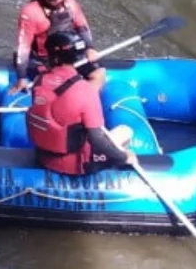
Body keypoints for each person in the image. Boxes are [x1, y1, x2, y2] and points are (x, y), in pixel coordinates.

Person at [25, 31, 135, 175]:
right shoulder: (85, 90)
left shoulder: (38, 82)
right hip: (76, 166)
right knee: (126, 132)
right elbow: (98, 141)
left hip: (43, 157)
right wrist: (124, 157)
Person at [11, 0, 105, 94]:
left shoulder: (71, 5)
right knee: (61, 85)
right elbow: (23, 47)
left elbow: (82, 27)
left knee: (99, 74)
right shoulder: (30, 12)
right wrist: (21, 77)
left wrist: (90, 47)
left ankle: (86, 100)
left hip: (68, 52)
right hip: (44, 58)